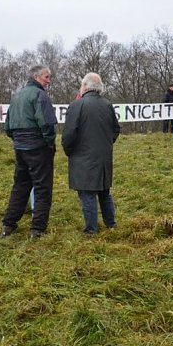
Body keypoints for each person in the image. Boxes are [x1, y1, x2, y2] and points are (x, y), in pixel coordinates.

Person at [1, 65, 57, 240]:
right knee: (42, 187)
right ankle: (37, 228)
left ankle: (8, 224)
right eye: (47, 77)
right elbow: (47, 124)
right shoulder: (40, 96)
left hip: (20, 147)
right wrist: (49, 143)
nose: (49, 81)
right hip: (38, 147)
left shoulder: (16, 95)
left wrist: (18, 140)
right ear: (36, 76)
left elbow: (7, 125)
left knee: (20, 186)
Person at [62, 73, 121, 235]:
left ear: (85, 86)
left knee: (87, 193)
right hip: (103, 156)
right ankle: (111, 225)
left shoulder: (76, 106)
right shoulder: (107, 104)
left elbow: (68, 135)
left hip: (83, 157)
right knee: (104, 191)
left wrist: (69, 151)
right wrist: (106, 144)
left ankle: (91, 230)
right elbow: (116, 129)